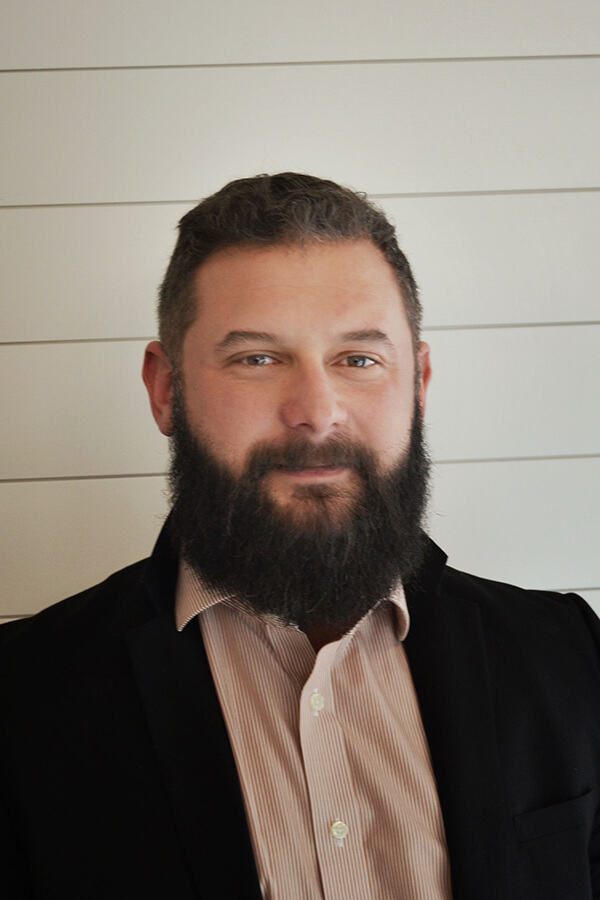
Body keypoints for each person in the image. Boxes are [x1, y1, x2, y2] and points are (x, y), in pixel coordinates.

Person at [1, 173, 599, 900]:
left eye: (358, 359)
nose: (317, 411)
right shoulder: (21, 698)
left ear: (419, 384)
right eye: (257, 358)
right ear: (165, 389)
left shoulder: (569, 656)